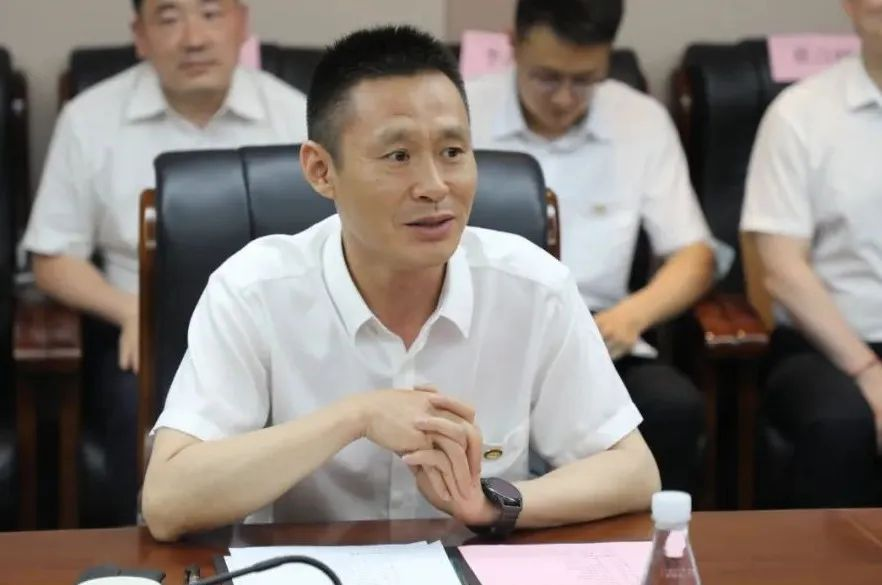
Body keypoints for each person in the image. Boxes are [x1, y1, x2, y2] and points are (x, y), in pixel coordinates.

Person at [141, 25, 660, 542]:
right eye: (398, 156)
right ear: (321, 170)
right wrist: (356, 416)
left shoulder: (532, 286)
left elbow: (634, 472)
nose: (435, 186)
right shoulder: (254, 290)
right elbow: (167, 501)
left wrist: (493, 502)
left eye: (452, 151)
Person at [21, 0, 308, 525]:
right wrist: (131, 311)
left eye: (211, 14)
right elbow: (52, 257)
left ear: (241, 23)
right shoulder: (90, 118)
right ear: (141, 35)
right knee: (137, 399)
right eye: (170, 18)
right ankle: (149, 547)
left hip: (277, 330)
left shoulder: (298, 116)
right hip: (147, 330)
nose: (193, 38)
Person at [465, 0, 714, 493]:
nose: (564, 98)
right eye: (546, 77)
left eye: (584, 80)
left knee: (672, 407)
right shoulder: (461, 114)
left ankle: (648, 540)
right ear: (513, 44)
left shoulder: (640, 120)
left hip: (600, 338)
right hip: (481, 335)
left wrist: (633, 315)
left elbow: (694, 255)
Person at [741, 0, 882, 507]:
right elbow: (782, 270)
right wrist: (868, 371)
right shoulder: (800, 114)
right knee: (840, 422)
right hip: (829, 347)